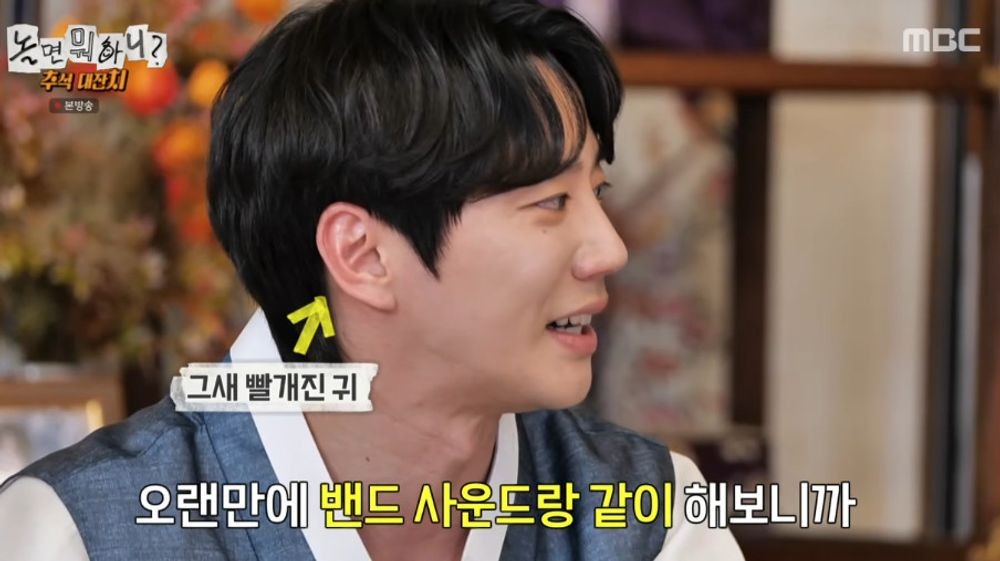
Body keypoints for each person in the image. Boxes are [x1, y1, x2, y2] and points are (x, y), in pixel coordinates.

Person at [0, 1, 745, 559]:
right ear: (361, 254)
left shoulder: (652, 520)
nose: (608, 250)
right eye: (550, 202)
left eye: (597, 193)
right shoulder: (79, 534)